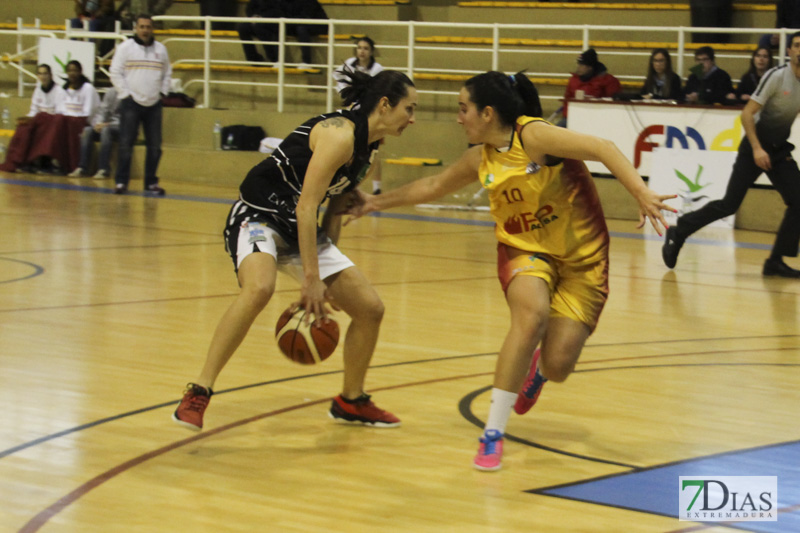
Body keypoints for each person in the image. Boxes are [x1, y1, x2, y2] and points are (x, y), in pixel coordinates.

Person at [343, 71, 675, 471]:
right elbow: (433, 185)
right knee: (531, 315)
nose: (458, 117)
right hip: (525, 250)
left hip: (583, 261)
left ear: (487, 113)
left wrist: (641, 191)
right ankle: (492, 434)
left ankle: (538, 370)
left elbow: (603, 147)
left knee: (559, 366)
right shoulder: (480, 156)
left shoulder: (534, 136)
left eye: (463, 109)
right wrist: (372, 204)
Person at [171, 69, 418, 432]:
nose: (412, 119)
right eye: (409, 109)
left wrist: (325, 273)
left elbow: (331, 209)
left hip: (298, 227)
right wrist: (311, 280)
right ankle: (199, 391)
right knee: (259, 288)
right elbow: (306, 206)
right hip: (259, 214)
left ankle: (351, 401)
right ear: (385, 105)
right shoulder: (340, 134)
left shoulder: (370, 151)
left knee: (370, 309)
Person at [663, 31, 800, 279]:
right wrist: (757, 148)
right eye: (798, 46)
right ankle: (680, 230)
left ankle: (775, 262)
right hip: (754, 147)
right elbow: (747, 114)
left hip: (779, 151)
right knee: (729, 204)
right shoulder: (777, 77)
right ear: (789, 51)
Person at [110, 13, 171, 195]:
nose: (145, 30)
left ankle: (151, 183)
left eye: (148, 27)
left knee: (155, 146)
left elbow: (167, 73)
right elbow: (115, 72)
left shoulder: (161, 49)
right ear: (136, 28)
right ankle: (121, 182)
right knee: (126, 145)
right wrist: (125, 94)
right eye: (142, 27)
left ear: (152, 29)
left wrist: (162, 93)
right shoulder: (125, 48)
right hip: (131, 104)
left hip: (154, 104)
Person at [0, 60, 98, 174]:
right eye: (40, 73)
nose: (43, 76)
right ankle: (24, 161)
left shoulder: (63, 90)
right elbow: (33, 110)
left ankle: (45, 162)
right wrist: (27, 118)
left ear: (51, 75)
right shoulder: (40, 90)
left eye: (45, 73)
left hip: (67, 121)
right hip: (45, 120)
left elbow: (64, 111)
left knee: (47, 126)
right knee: (24, 128)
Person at [333, 37, 384, 193]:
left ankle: (377, 188)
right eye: (359, 47)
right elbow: (336, 76)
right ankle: (350, 185)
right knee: (351, 150)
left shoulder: (377, 69)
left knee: (373, 152)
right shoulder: (349, 63)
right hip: (353, 113)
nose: (362, 51)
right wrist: (347, 93)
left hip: (372, 115)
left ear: (371, 51)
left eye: (366, 48)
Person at [68, 87, 120, 179]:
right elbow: (102, 110)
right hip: (106, 125)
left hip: (123, 128)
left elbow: (129, 120)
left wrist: (107, 124)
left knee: (106, 130)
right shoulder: (111, 92)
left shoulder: (131, 94)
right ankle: (82, 167)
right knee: (88, 130)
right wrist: (99, 123)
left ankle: (104, 169)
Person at [559, 48, 621, 124]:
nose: (579, 67)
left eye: (582, 65)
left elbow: (614, 104)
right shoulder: (573, 80)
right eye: (579, 64)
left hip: (598, 118)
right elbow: (567, 100)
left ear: (590, 67)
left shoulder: (608, 81)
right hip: (573, 117)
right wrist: (568, 115)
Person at [284, 0, 328, 68]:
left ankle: (307, 62)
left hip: (319, 24)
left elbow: (306, 16)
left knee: (301, 29)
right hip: (297, 24)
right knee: (276, 27)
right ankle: (277, 61)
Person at [237, 0, 282, 65]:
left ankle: (274, 59)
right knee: (242, 27)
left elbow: (280, 10)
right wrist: (253, 17)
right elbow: (249, 8)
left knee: (260, 27)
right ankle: (253, 59)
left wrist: (263, 18)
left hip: (274, 20)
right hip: (258, 20)